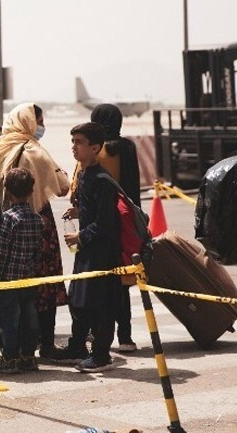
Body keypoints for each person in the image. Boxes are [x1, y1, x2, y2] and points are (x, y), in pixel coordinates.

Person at [0, 103, 70, 360]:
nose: (40, 128)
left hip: (4, 221)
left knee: (11, 292)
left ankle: (14, 348)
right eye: (38, 122)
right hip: (38, 222)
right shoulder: (35, 150)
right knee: (44, 283)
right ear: (29, 123)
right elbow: (63, 187)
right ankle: (46, 344)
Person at [54, 122, 120, 373]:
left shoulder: (102, 180)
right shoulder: (84, 174)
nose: (73, 147)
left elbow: (106, 223)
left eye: (78, 143)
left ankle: (102, 355)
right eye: (72, 142)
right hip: (87, 250)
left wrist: (81, 236)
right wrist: (79, 212)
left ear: (94, 148)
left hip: (101, 253)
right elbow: (94, 212)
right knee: (78, 300)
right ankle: (77, 346)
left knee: (98, 304)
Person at [89, 103, 141, 353]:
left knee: (103, 281)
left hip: (104, 221)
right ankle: (126, 336)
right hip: (128, 218)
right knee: (124, 280)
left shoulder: (99, 151)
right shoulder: (128, 147)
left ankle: (98, 333)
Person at [0, 168, 43, 374]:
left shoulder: (8, 219)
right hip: (29, 278)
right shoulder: (37, 218)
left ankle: (10, 357)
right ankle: (29, 356)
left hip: (9, 280)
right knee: (30, 318)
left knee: (9, 320)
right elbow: (38, 251)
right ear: (31, 191)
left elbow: (2, 252)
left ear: (8, 192)